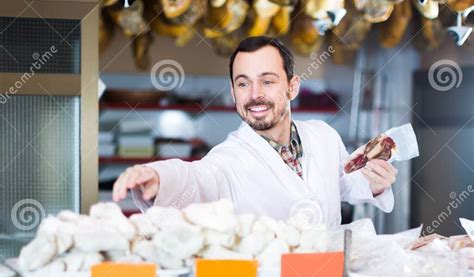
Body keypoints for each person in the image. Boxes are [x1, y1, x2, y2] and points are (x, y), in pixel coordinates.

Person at [112, 36, 396, 227]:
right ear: (233, 93)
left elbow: (342, 184)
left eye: (268, 81)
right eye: (243, 84)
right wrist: (160, 178)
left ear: (292, 87)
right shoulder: (226, 159)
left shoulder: (323, 136)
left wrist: (374, 183)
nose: (255, 95)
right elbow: (196, 180)